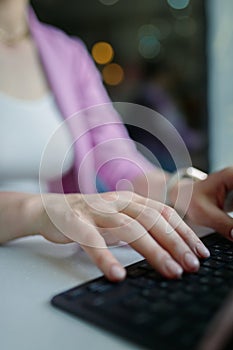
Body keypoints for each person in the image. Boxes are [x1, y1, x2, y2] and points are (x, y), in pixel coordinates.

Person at [0, 0, 232, 283]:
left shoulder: (66, 53)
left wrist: (180, 190)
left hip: (47, 266)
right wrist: (36, 209)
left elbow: (114, 154)